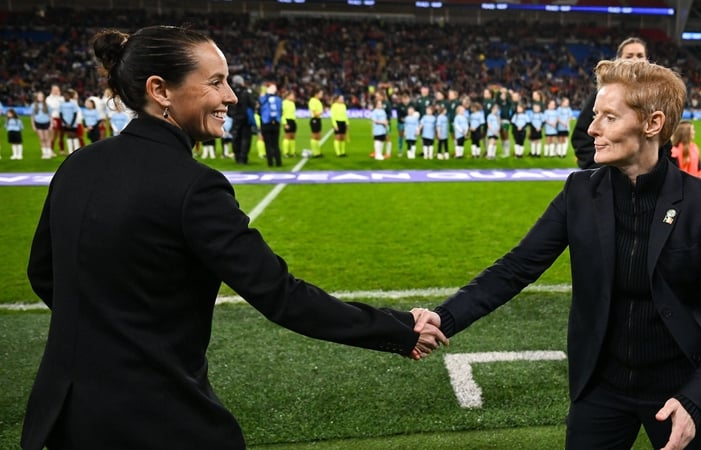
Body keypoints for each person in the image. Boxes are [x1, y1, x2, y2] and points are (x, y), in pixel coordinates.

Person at [21, 26, 445, 450]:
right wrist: (400, 329)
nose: (232, 96)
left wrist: (109, 331)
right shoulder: (195, 186)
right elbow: (281, 296)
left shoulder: (78, 164)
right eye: (216, 82)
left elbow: (42, 272)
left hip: (60, 417)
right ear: (160, 90)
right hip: (152, 414)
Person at [413, 59, 701, 450]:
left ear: (652, 124)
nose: (592, 128)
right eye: (595, 115)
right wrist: (444, 317)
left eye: (609, 117)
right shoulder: (579, 192)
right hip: (602, 387)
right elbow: (515, 269)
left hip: (681, 388)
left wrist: (696, 399)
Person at [572, 37, 648, 169]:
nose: (635, 60)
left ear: (647, 60)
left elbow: (663, 141)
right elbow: (581, 136)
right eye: (629, 56)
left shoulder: (655, 95)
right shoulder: (604, 94)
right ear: (618, 60)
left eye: (640, 55)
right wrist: (597, 168)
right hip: (613, 175)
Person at [229, 74, 256, 164]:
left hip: (235, 118)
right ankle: (243, 158)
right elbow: (252, 104)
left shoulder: (231, 91)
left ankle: (237, 157)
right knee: (245, 138)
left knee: (236, 137)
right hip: (245, 118)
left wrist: (232, 114)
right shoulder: (246, 92)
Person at [259, 82, 282, 167]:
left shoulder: (263, 98)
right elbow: (280, 110)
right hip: (276, 123)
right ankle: (278, 162)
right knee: (275, 143)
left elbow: (259, 108)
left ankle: (270, 162)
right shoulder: (278, 99)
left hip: (266, 123)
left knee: (267, 144)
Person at [30, 91, 54, 159]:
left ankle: (49, 152)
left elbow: (50, 116)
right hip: (38, 123)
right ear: (37, 98)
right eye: (39, 96)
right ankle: (44, 153)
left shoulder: (47, 105)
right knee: (42, 138)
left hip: (46, 123)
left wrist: (51, 124)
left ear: (43, 97)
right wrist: (33, 125)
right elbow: (32, 116)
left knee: (47, 138)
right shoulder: (33, 105)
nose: (40, 98)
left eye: (41, 96)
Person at [308, 87, 325, 158]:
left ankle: (318, 152)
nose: (322, 95)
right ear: (316, 94)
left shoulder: (318, 101)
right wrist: (322, 112)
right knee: (314, 136)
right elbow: (314, 113)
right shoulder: (312, 101)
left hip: (318, 119)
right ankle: (315, 153)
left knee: (318, 136)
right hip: (314, 119)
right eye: (321, 93)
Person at [370, 96, 389, 161]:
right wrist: (382, 122)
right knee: (377, 141)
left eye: (381, 104)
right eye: (379, 104)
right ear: (376, 105)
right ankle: (377, 154)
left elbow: (385, 119)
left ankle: (380, 153)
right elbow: (374, 121)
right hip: (377, 129)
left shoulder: (383, 111)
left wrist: (386, 123)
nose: (380, 105)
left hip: (383, 129)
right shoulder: (374, 112)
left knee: (382, 141)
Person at [281, 90, 297, 158]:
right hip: (287, 120)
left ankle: (292, 152)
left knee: (293, 137)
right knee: (287, 136)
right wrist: (285, 123)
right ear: (288, 96)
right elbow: (282, 114)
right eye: (292, 95)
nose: (293, 97)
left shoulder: (292, 103)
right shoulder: (283, 103)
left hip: (293, 120)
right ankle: (285, 152)